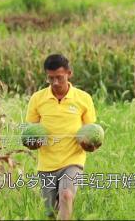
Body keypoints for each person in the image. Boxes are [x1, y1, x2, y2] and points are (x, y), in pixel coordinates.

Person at [25, 54, 99, 220]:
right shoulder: (38, 99)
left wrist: (91, 145)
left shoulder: (83, 99)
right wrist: (31, 143)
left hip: (73, 160)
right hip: (47, 164)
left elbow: (91, 131)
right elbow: (30, 130)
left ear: (69, 74)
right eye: (51, 78)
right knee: (50, 212)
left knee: (66, 195)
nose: (55, 82)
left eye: (59, 77)